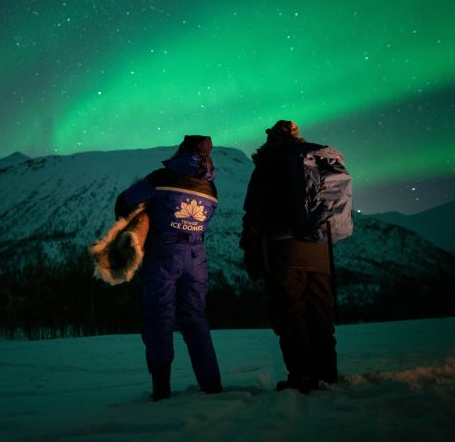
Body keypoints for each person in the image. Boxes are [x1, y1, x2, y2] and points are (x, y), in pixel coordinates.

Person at [115, 135, 223, 401]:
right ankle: (211, 385)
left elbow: (125, 201)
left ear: (182, 151)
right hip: (197, 257)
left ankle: (161, 388)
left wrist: (134, 227)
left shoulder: (161, 178)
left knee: (159, 318)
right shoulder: (211, 188)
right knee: (195, 319)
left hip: (164, 254)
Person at [240, 120, 338, 393]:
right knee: (320, 311)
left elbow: (255, 213)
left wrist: (251, 250)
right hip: (319, 249)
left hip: (284, 249)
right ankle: (327, 373)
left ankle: (303, 376)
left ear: (270, 138)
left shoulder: (268, 165)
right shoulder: (313, 162)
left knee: (291, 313)